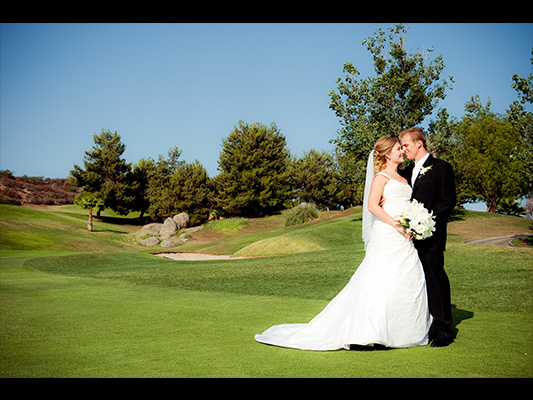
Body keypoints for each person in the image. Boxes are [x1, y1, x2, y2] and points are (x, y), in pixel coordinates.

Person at [255, 137, 432, 351]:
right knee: (380, 278)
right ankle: (367, 332)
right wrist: (395, 223)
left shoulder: (404, 178)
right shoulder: (381, 177)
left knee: (405, 278)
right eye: (398, 148)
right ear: (387, 154)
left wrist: (412, 223)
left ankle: (399, 332)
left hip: (405, 236)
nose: (402, 151)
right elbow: (372, 206)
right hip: (388, 232)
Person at [399, 127, 456, 347]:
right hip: (405, 240)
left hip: (431, 237)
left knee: (435, 280)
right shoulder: (404, 174)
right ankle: (416, 328)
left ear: (418, 144)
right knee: (411, 283)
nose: (403, 150)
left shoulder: (442, 168)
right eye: (402, 147)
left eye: (406, 145)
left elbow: (447, 201)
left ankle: (443, 331)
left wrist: (425, 224)